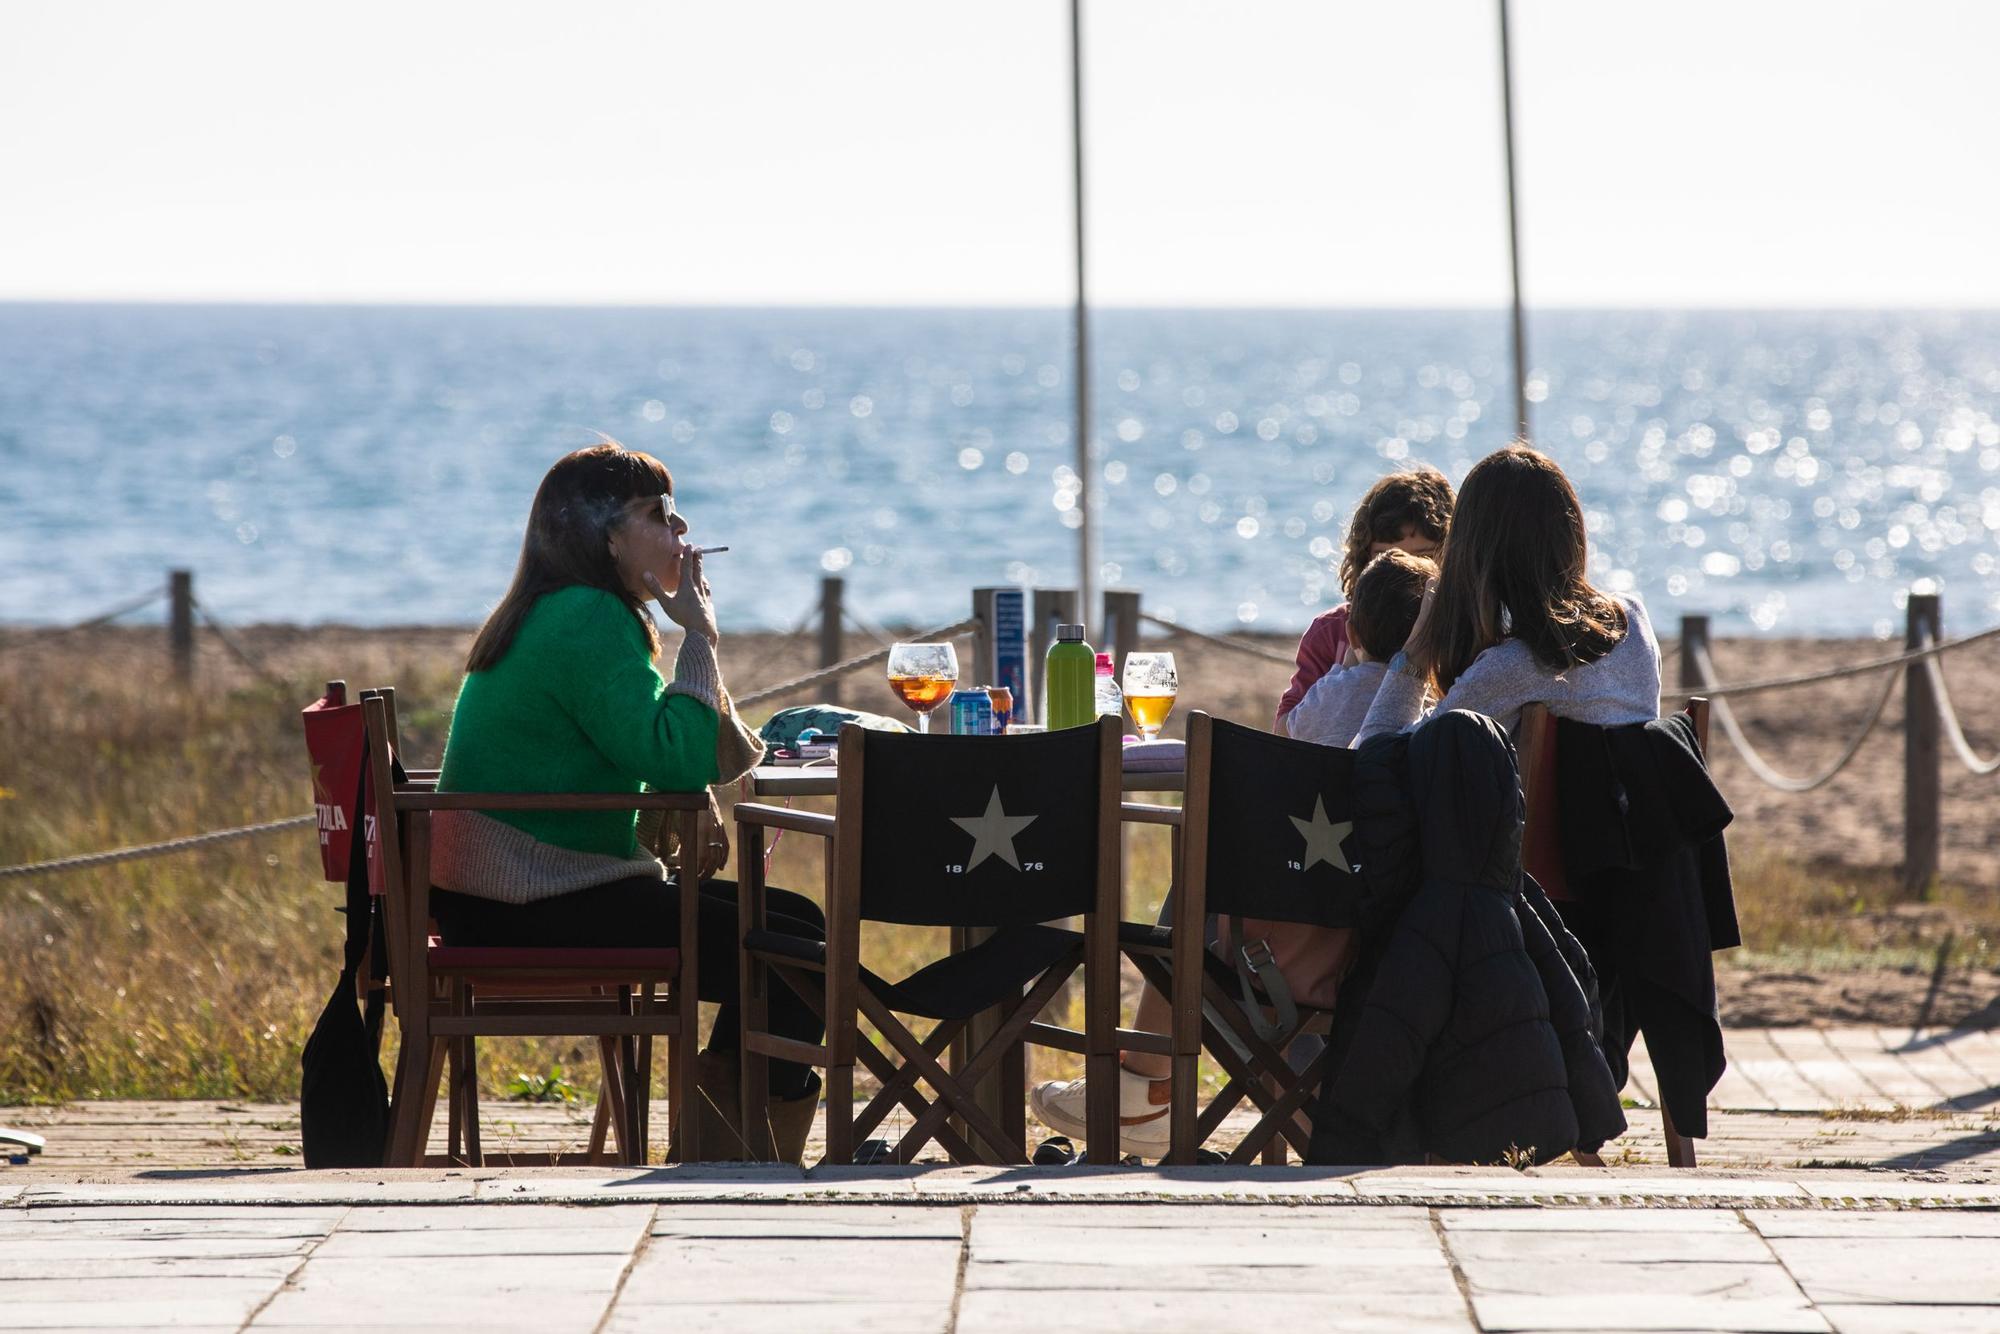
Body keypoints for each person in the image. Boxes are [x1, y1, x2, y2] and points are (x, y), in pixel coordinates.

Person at [428, 442, 825, 1162]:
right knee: (793, 948)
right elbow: (674, 752)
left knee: (794, 922)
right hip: (531, 898)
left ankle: (734, 1142)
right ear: (605, 536)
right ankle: (737, 1150)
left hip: (506, 889)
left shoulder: (561, 610)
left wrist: (687, 787)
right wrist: (700, 637)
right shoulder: (586, 617)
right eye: (660, 516)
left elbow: (662, 747)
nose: (682, 534)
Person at [1355, 443, 1662, 742]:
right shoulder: (1633, 622)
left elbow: (1377, 753)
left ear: (1472, 550)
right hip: (1641, 795)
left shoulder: (1509, 669)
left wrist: (1414, 656)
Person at [1273, 467, 1453, 731]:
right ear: (1363, 557)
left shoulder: (1460, 631)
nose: (1399, 571)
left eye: (1421, 558)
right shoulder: (1331, 632)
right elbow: (1284, 729)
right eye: (1385, 557)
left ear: (1449, 556)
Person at [1284, 547, 1437, 748]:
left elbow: (1293, 728)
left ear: (1352, 636)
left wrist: (1341, 670)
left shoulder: (1325, 692)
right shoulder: (1422, 704)